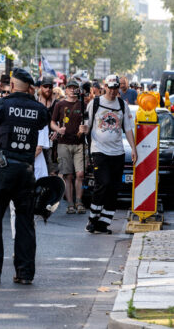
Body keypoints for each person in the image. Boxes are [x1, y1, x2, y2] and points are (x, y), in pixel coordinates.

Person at [0, 68, 49, 285]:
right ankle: (24, 273)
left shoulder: (2, 104)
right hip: (26, 170)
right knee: (25, 223)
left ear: (12, 85)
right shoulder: (38, 108)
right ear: (30, 87)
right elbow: (43, 121)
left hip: (3, 169)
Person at [79, 75, 137, 235]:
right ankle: (92, 219)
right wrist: (82, 129)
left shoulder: (122, 105)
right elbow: (87, 125)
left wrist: (133, 148)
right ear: (105, 86)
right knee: (102, 184)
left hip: (117, 152)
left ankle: (104, 223)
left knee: (113, 188)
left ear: (119, 87)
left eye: (115, 87)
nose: (112, 91)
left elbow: (128, 128)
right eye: (110, 87)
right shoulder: (95, 103)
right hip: (99, 150)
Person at [50, 80, 86, 214]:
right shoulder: (60, 104)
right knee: (68, 175)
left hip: (79, 144)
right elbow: (52, 122)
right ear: (66, 90)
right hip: (63, 144)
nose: (72, 90)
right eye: (70, 88)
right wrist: (58, 130)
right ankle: (70, 204)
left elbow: (88, 122)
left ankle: (79, 201)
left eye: (75, 88)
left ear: (78, 90)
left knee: (80, 174)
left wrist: (85, 128)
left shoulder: (83, 104)